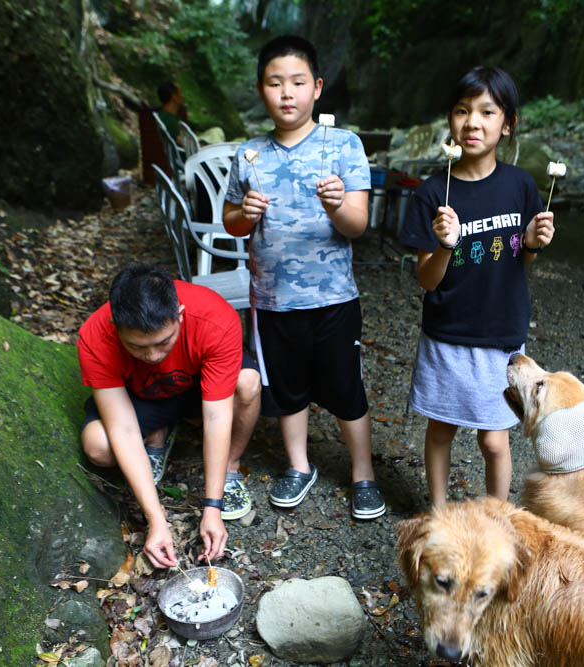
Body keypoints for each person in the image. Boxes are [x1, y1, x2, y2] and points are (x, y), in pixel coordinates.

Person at [221, 35, 385, 520]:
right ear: (261, 90)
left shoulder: (344, 146)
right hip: (272, 299)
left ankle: (363, 474)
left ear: (316, 88)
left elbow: (357, 225)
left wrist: (337, 205)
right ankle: (299, 465)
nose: (286, 93)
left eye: (297, 82)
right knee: (287, 389)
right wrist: (245, 215)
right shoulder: (249, 154)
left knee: (345, 388)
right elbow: (231, 223)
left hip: (334, 297)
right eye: (275, 83)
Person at [398, 66, 555, 508]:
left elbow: (522, 260)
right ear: (449, 121)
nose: (473, 122)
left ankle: (498, 516)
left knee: (494, 441)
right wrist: (446, 244)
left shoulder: (521, 185)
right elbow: (427, 280)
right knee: (441, 429)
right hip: (447, 333)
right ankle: (439, 511)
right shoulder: (433, 193)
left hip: (501, 332)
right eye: (462, 111)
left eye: (488, 111)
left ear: (508, 124)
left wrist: (532, 244)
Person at [77, 264, 261, 567]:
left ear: (180, 314)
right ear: (115, 325)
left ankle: (230, 465)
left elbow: (217, 415)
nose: (152, 356)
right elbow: (121, 428)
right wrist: (156, 520)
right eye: (137, 346)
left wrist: (211, 508)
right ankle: (157, 433)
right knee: (98, 445)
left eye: (163, 342)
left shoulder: (214, 317)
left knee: (248, 383)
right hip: (144, 396)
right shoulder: (96, 334)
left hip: (199, 391)